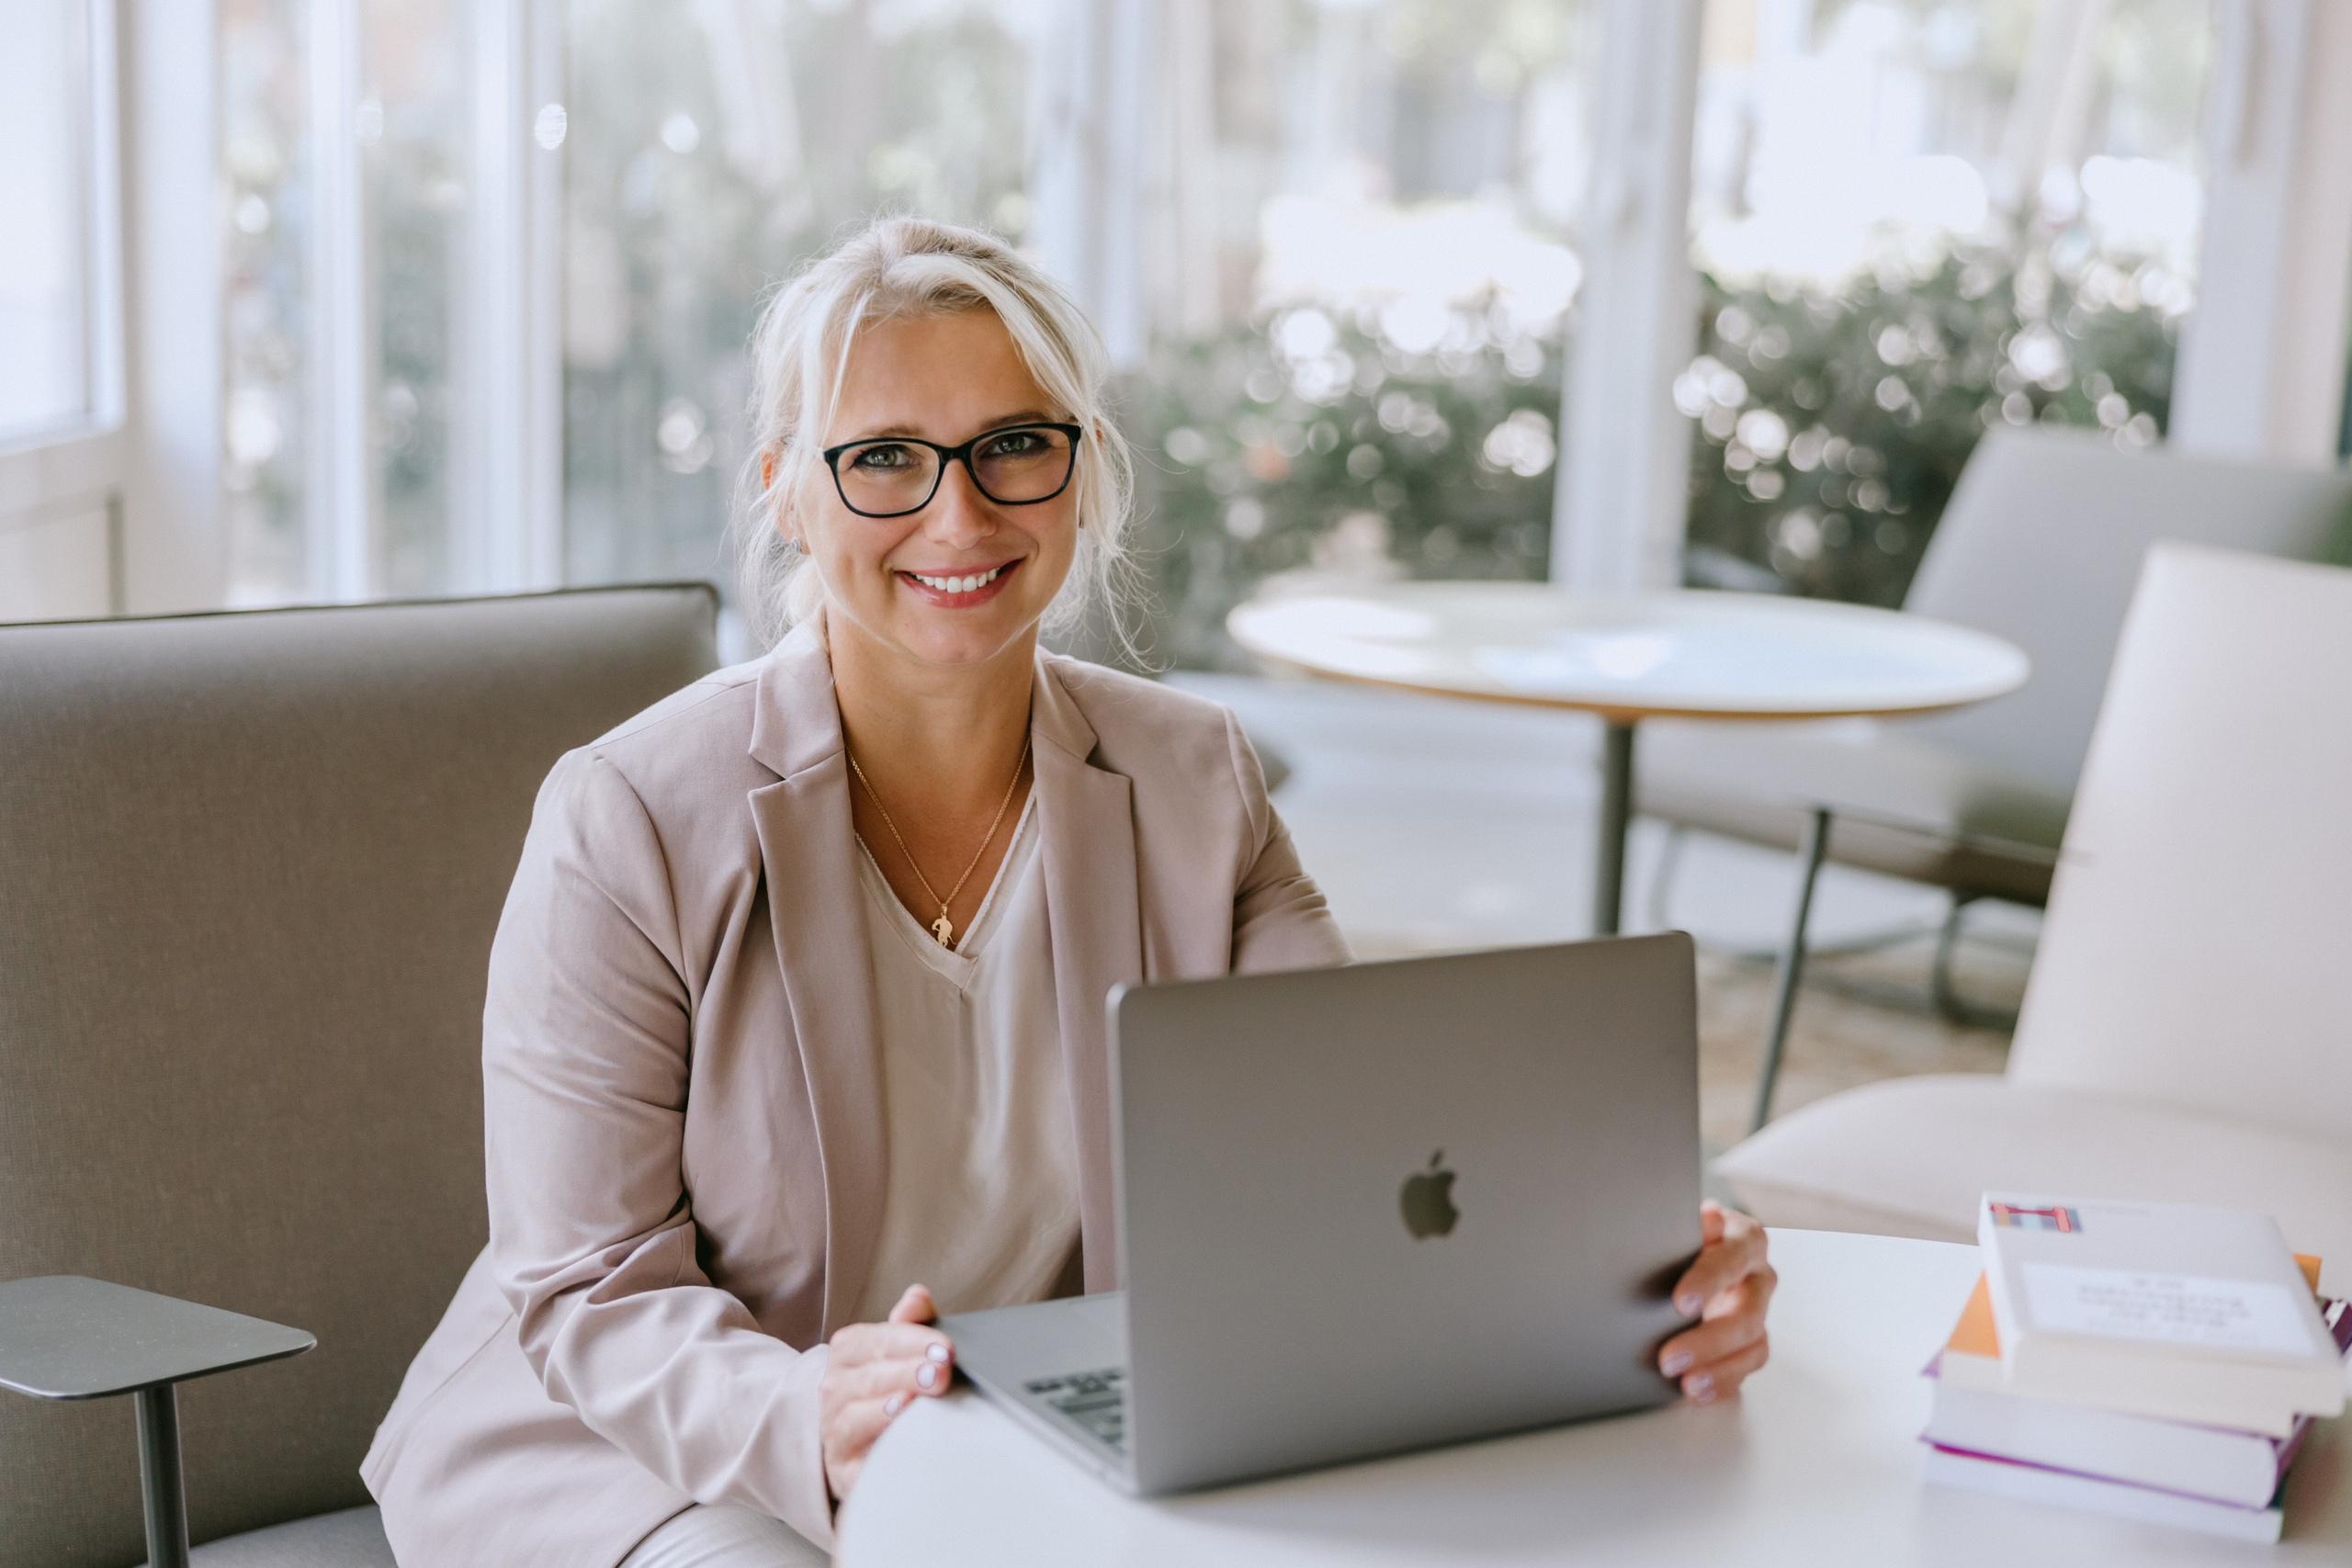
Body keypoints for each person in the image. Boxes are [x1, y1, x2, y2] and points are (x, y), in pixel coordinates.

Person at [360, 217, 1776, 1567]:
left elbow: (1372, 1144)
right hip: (660, 1450)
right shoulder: (630, 816)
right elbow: (589, 1285)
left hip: (1021, 1436)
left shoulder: (1193, 778)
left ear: (1082, 472)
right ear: (790, 489)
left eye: (1014, 447)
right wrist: (808, 1416)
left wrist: (1639, 1263)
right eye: (885, 460)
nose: (957, 511)